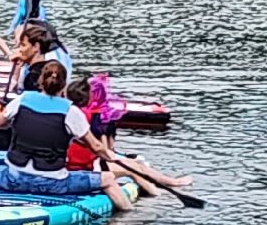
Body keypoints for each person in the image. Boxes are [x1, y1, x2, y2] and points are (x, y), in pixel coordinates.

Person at [0, 61, 132, 211]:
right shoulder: (71, 111)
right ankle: (129, 217)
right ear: (63, 86)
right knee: (108, 179)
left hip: (15, 178)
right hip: (53, 184)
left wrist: (3, 118)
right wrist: (116, 159)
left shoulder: (21, 100)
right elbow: (96, 147)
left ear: (41, 81)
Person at [63, 75, 191, 195]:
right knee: (133, 169)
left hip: (83, 164)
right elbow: (100, 147)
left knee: (136, 165)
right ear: (88, 97)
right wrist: (113, 157)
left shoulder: (70, 113)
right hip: (85, 168)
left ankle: (169, 184)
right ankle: (160, 194)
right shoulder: (87, 117)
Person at [7, 19, 72, 91]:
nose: (19, 49)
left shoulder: (32, 78)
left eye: (22, 45)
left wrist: (14, 80)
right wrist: (16, 73)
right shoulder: (54, 62)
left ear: (36, 46)